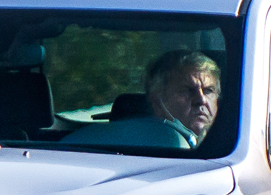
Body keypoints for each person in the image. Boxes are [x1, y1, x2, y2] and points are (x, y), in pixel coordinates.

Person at [82, 49, 224, 150]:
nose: (201, 100)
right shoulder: (152, 147)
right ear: (157, 102)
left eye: (208, 91)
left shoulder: (235, 146)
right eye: (186, 91)